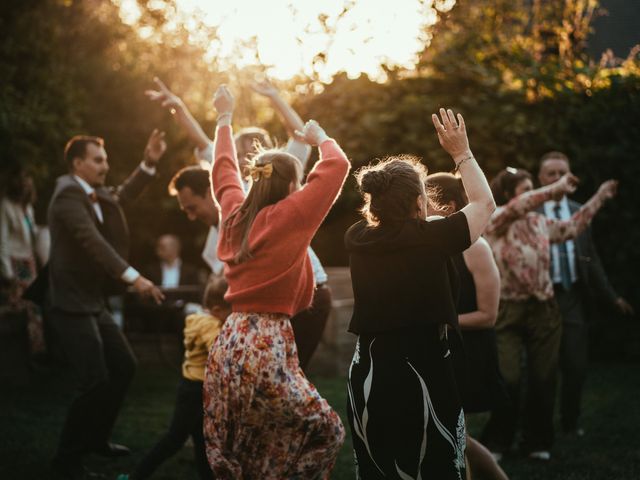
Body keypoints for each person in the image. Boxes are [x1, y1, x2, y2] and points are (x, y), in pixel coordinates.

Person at [203, 85, 347, 479]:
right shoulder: (293, 215)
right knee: (328, 430)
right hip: (267, 343)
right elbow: (337, 167)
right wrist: (320, 139)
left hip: (231, 340)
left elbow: (224, 171)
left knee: (253, 442)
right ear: (290, 187)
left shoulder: (233, 214)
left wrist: (224, 116)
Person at [345, 109, 495, 479]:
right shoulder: (433, 237)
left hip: (369, 370)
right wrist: (461, 153)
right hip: (422, 371)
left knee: (379, 467)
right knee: (435, 466)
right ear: (418, 201)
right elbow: (484, 205)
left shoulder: (357, 238)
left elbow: (394, 227)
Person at [153, 77, 332, 370]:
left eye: (253, 149)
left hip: (305, 291)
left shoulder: (269, 183)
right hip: (272, 304)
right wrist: (181, 109)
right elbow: (213, 151)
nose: (246, 155)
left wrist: (274, 97)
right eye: (240, 149)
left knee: (289, 378)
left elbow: (299, 136)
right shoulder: (231, 204)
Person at [48, 132, 166, 479]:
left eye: (105, 159)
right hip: (69, 302)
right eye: (98, 160)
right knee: (94, 380)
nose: (105, 165)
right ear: (77, 164)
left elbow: (123, 194)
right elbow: (93, 241)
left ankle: (97, 439)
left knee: (124, 366)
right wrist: (135, 278)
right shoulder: (67, 194)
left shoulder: (93, 193)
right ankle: (66, 460)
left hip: (91, 301)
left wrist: (150, 163)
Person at [481, 166, 618, 461]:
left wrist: (600, 197)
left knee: (543, 379)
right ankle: (498, 441)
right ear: (508, 194)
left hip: (545, 310)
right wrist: (556, 189)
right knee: (510, 378)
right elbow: (520, 206)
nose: (535, 196)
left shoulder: (542, 222)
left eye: (535, 189)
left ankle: (537, 442)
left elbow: (573, 226)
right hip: (508, 310)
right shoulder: (497, 219)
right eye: (527, 189)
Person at [537, 151, 634, 436]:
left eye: (562, 173)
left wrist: (612, 297)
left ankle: (570, 421)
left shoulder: (581, 211)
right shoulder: (531, 213)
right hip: (541, 300)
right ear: (541, 179)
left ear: (571, 177)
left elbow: (592, 260)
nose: (557, 178)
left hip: (572, 297)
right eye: (551, 174)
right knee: (542, 371)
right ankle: (539, 426)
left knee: (576, 367)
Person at [428, 172, 508, 480]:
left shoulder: (476, 247)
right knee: (453, 433)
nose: (419, 209)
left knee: (456, 433)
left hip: (469, 351)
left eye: (425, 202)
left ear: (448, 208)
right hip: (444, 349)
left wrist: (438, 322)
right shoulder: (433, 247)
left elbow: (488, 315)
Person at [117, 277, 231, 480]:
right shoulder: (210, 326)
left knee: (201, 440)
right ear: (216, 309)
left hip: (194, 387)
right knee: (174, 440)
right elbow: (219, 353)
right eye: (232, 313)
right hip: (195, 390)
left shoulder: (199, 319)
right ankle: (136, 476)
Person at [1, 168, 46, 356]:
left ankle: (35, 351)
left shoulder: (28, 208)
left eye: (28, 181)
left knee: (34, 306)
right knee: (19, 308)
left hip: (29, 262)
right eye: (23, 181)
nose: (26, 185)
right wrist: (7, 273)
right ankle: (17, 352)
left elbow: (32, 234)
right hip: (14, 263)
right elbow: (2, 240)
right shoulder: (5, 206)